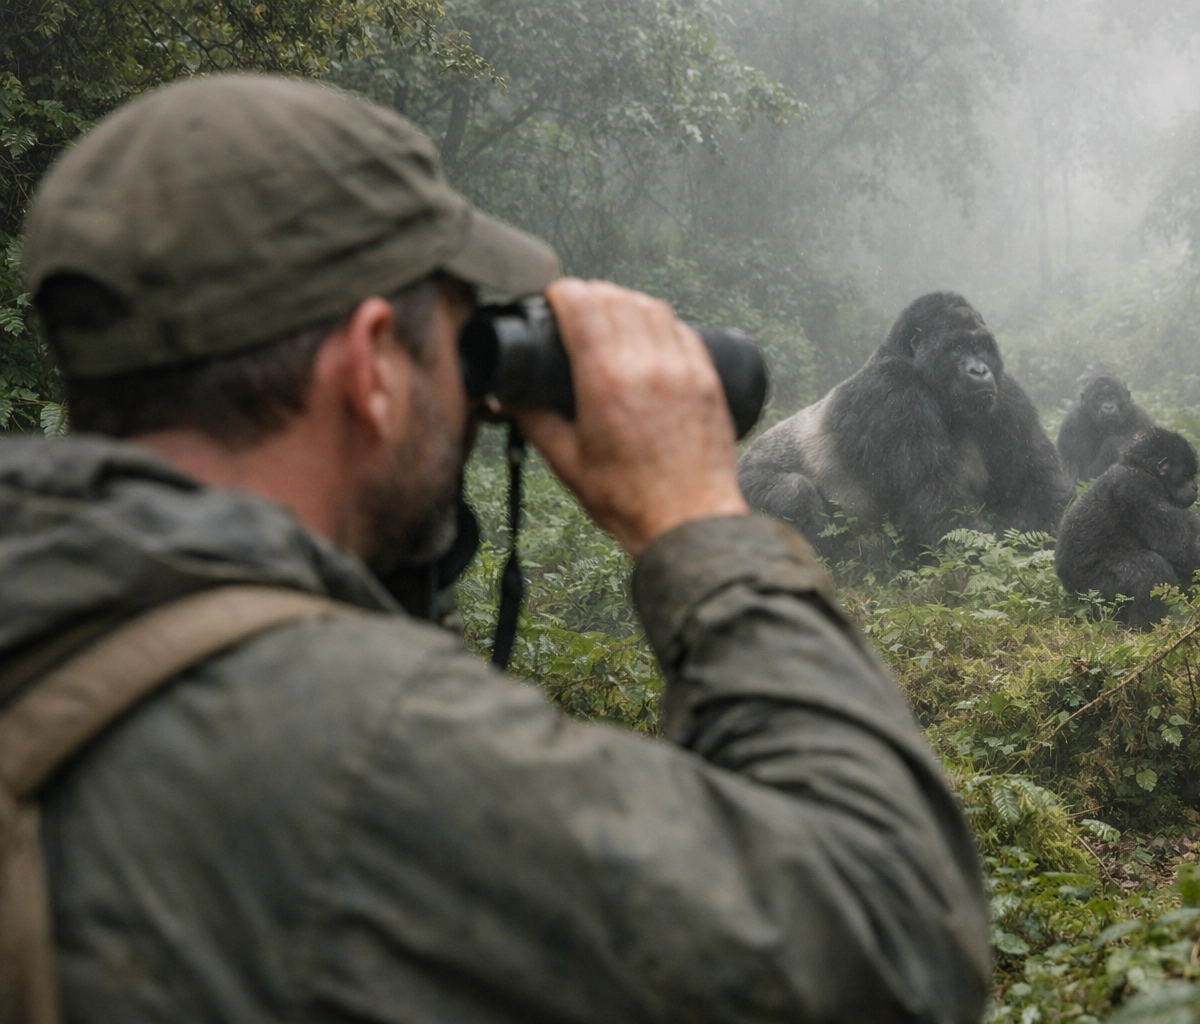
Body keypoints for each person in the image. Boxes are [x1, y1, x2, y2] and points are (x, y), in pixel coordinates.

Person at [0, 74, 991, 1022]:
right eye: (460, 343)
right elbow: (892, 935)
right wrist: (696, 519)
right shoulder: (358, 746)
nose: (476, 400)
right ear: (371, 364)